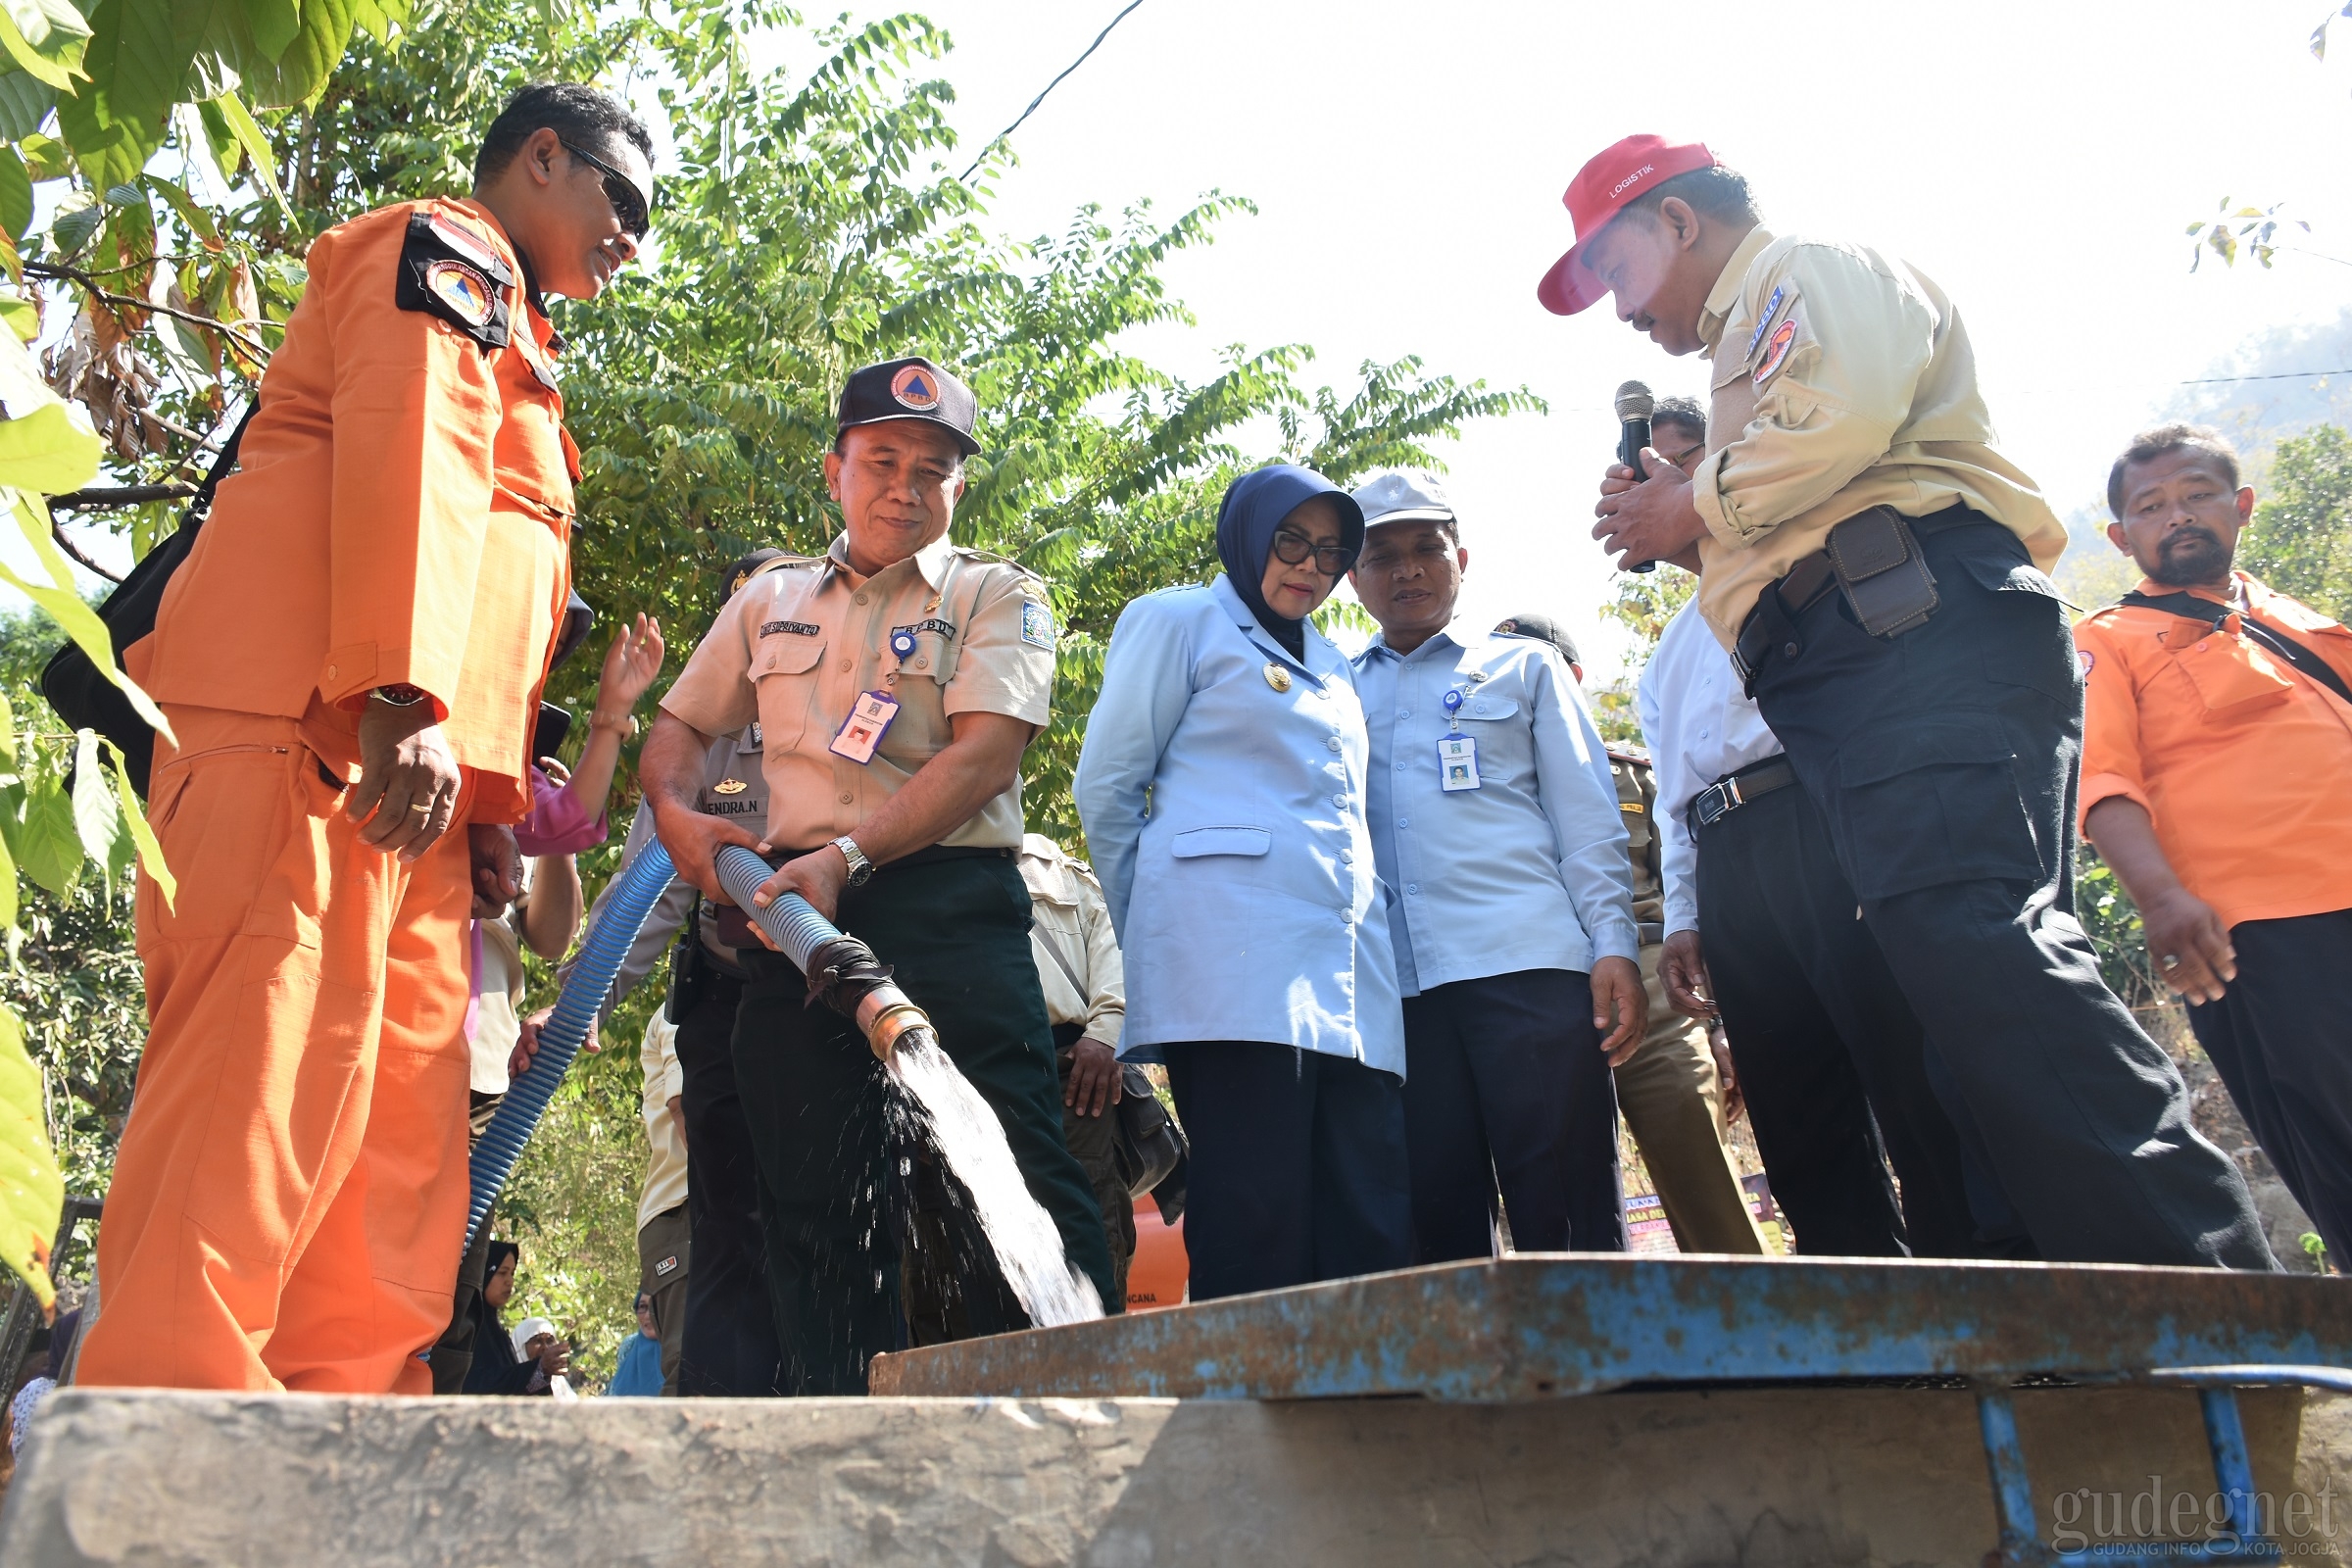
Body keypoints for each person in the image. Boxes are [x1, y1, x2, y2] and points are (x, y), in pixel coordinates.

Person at [1558, 133, 2271, 1267]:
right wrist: (1691, 514)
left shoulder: (1805, 271)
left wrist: (1686, 504)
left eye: (1614, 269)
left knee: (1978, 939)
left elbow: (1836, 422)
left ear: (1678, 222)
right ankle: (2077, 1287)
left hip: (1910, 630)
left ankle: (2205, 1275)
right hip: (1853, 666)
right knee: (1951, 977)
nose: (1617, 308)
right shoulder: (1746, 345)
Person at [83, 83, 658, 1392]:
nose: (633, 233)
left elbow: (494, 573)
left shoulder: (526, 348)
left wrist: (494, 810)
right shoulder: (442, 251)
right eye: (619, 197)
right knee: (252, 1109)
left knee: (384, 1177)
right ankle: (167, 1482)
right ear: (542, 157)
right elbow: (417, 459)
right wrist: (405, 695)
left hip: (417, 811)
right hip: (307, 742)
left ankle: (335, 1470)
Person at [643, 358, 1116, 1395]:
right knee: (809, 1197)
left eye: (934, 467)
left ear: (960, 486)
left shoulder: (998, 594)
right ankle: (845, 1427)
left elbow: (985, 755)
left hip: (944, 910)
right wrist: (681, 824)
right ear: (836, 472)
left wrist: (848, 858)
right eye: (883, 460)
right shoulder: (769, 602)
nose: (906, 485)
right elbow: (676, 727)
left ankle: (1078, 1403)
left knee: (1010, 1161)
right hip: (792, 924)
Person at [1628, 402, 1999, 1258]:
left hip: (1829, 821)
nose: (1668, 486)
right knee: (1796, 1110)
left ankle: (1976, 1293)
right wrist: (1686, 919)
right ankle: (1869, 1312)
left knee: (1909, 1078)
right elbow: (1677, 805)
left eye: (1689, 465)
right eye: (1653, 472)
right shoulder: (1668, 657)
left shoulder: (1808, 578)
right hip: (1732, 866)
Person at [1075, 464, 1412, 1300]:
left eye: (1331, 552)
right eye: (1289, 540)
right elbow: (1107, 790)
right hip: (1228, 966)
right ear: (1245, 534)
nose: (1309, 565)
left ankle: (1362, 1412)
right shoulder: (1179, 620)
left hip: (1346, 975)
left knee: (1366, 1209)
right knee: (1256, 1209)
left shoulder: (1337, 664)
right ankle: (1245, 1417)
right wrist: (1163, 931)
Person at [1344, 471, 1642, 1259]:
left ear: (1462, 559)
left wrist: (1613, 944)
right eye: (1382, 555)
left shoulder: (1526, 669)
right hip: (1398, 993)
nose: (1407, 570)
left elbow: (1587, 822)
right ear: (1353, 578)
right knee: (1436, 1216)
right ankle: (1476, 1384)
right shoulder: (1331, 691)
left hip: (1530, 972)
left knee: (1567, 1208)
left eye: (1426, 549)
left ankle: (1602, 1379)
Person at [2079, 423, 2352, 1262]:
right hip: (2260, 932)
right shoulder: (2106, 639)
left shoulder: (2303, 622)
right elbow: (2101, 782)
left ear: (2240, 507)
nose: (2179, 515)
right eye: (2152, 506)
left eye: (2197, 494)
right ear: (2123, 538)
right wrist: (2159, 898)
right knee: (2339, 1137)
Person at [561, 549, 784, 1397]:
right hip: (727, 1003)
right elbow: (645, 899)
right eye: (742, 630)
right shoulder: (692, 752)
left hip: (834, 1006)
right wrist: (577, 1006)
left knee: (834, 1226)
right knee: (729, 1230)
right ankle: (723, 1438)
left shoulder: (858, 721)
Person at [1496, 607, 1767, 1255]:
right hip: (1544, 989)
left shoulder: (1633, 775)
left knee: (1704, 1182)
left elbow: (1691, 895)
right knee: (1557, 1202)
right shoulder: (1490, 783)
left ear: (1575, 676)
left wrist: (1721, 1024)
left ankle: (1763, 1341)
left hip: (1656, 986)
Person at [634, 1012, 690, 1395]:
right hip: (683, 1208)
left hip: (707, 1204)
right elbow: (684, 1105)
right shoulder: (684, 1002)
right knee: (695, 1370)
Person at [464, 1242, 572, 1396]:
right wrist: (538, 1368)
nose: (509, 1281)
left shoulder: (496, 1333)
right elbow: (478, 1386)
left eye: (512, 1273)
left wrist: (542, 1371)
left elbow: (514, 1390)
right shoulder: (465, 1329)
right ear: (483, 1273)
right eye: (502, 1272)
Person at [606, 1294, 665, 1397]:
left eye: (656, 1306)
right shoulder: (629, 1346)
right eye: (643, 1307)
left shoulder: (685, 1349)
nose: (648, 1315)